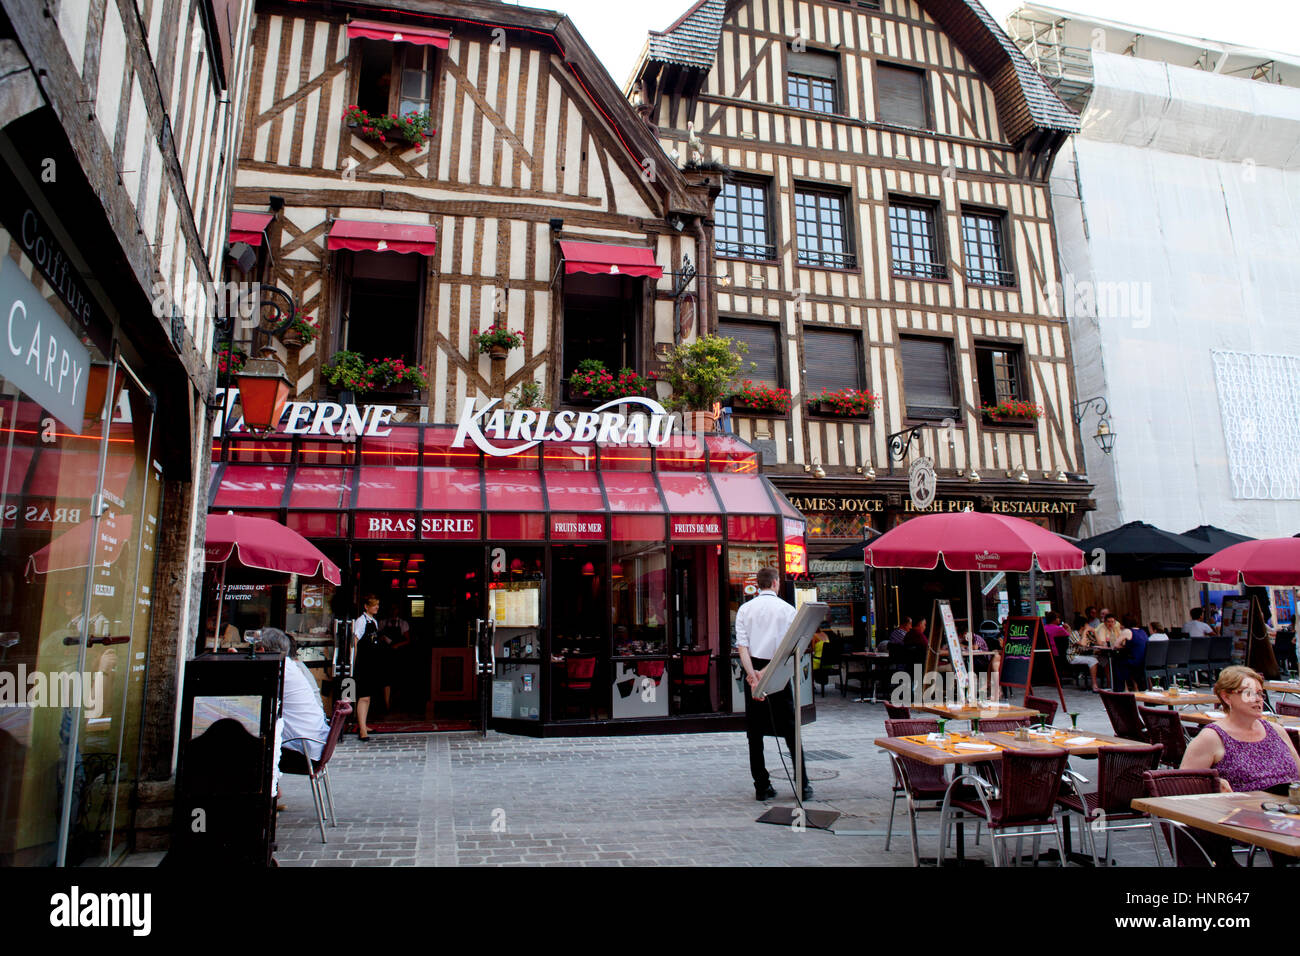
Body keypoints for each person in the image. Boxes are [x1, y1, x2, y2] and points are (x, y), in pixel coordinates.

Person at [736, 567, 811, 802]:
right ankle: (802, 783)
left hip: (753, 669)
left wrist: (752, 674)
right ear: (776, 583)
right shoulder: (788, 610)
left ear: (758, 584)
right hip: (777, 670)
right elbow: (786, 649)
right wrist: (765, 672)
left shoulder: (744, 609)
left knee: (754, 732)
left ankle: (761, 785)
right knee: (790, 728)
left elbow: (742, 646)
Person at [1181, 666, 1300, 794]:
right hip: (1244, 810)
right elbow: (1182, 784)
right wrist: (1210, 784)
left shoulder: (1276, 730)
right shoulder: (1212, 737)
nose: (1257, 699)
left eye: (1260, 693)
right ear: (1226, 697)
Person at [351, 595, 383, 741]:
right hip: (363, 663)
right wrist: (354, 662)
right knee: (363, 696)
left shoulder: (374, 622)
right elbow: (355, 643)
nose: (376, 607)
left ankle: (364, 723)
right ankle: (362, 729)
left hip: (372, 663)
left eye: (377, 604)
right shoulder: (361, 621)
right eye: (374, 604)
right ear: (366, 606)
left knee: (368, 696)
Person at [1068, 612, 1101, 691]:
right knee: (1093, 660)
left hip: (1083, 655)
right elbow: (1082, 644)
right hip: (1073, 656)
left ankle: (1110, 684)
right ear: (1083, 626)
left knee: (1104, 660)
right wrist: (1086, 631)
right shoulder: (1074, 634)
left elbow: (1100, 643)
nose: (1089, 626)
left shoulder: (1087, 634)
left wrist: (1095, 632)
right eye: (1087, 624)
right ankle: (1094, 684)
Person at [1117, 613, 1149, 690]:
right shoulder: (1143, 631)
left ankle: (1123, 688)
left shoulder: (1127, 631)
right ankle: (1135, 687)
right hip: (1144, 661)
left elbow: (1115, 645)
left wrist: (1124, 646)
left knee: (1118, 662)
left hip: (1134, 661)